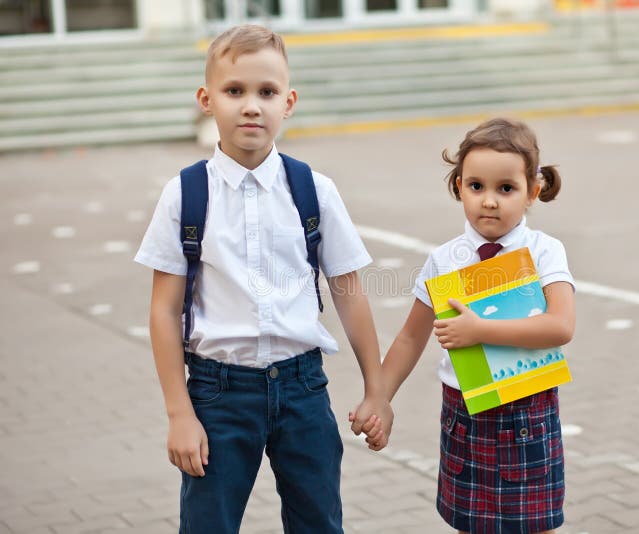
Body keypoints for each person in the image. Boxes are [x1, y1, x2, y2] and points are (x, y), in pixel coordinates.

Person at [134, 24, 391, 534]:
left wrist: (376, 389)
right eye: (235, 91)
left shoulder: (313, 190)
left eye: (267, 92)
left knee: (319, 522)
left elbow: (349, 292)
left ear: (288, 102)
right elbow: (163, 311)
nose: (252, 106)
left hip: (303, 388)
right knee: (208, 524)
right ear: (207, 100)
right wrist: (179, 414)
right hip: (217, 395)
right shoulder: (185, 195)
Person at [378, 117, 575, 533]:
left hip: (526, 412)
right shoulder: (444, 259)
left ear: (532, 192)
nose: (489, 200)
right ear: (458, 187)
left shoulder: (543, 252)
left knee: (534, 526)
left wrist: (480, 331)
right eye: (476, 186)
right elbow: (410, 338)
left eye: (506, 188)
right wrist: (379, 398)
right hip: (464, 414)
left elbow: (560, 326)